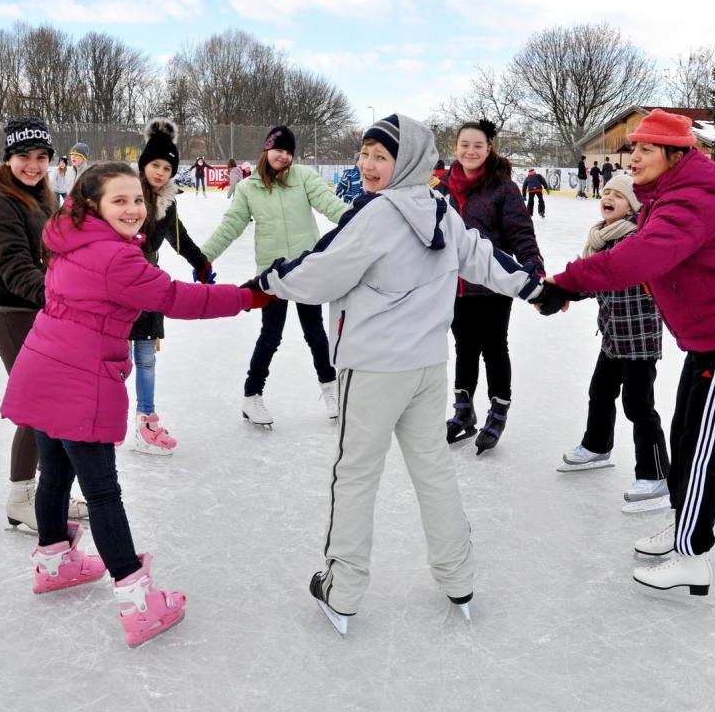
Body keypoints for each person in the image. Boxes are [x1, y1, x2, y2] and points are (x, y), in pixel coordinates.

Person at [245, 114, 565, 634]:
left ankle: (342, 590)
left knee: (354, 476)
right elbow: (484, 258)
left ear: (408, 161)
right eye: (365, 153)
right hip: (424, 367)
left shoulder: (375, 215)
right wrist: (534, 289)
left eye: (381, 156)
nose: (367, 165)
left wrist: (270, 278)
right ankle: (458, 578)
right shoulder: (440, 208)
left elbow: (321, 272)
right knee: (434, 471)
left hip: (372, 369)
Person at [0, 161, 269, 646]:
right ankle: (137, 600)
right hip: (78, 378)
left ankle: (55, 562)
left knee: (56, 475)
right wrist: (247, 296)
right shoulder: (116, 258)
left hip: (42, 365)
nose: (133, 209)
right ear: (93, 206)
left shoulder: (68, 238)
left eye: (138, 200)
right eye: (119, 200)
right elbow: (178, 298)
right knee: (103, 493)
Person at [549, 109, 715, 596]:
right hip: (709, 337)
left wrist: (568, 282)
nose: (635, 156)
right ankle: (685, 525)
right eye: (634, 148)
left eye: (647, 148)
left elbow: (637, 258)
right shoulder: (666, 199)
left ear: (675, 155)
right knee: (686, 436)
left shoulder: (686, 204)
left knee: (700, 447)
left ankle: (692, 554)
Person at [0, 116, 87, 531]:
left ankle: (45, 490)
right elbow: (17, 269)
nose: (33, 165)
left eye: (41, 157)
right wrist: (68, 299)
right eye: (23, 156)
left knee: (49, 406)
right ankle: (22, 497)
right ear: (7, 159)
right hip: (11, 316)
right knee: (37, 408)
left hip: (40, 313)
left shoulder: (40, 198)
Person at [200, 125, 350, 425]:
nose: (283, 156)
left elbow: (328, 203)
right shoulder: (247, 188)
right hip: (272, 275)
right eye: (278, 149)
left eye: (288, 151)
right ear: (266, 150)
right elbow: (231, 226)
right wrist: (203, 257)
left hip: (306, 270)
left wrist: (358, 219)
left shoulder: (304, 177)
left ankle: (330, 388)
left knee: (316, 334)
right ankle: (252, 396)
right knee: (271, 336)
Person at [558, 174, 670, 511]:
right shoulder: (602, 236)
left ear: (633, 205)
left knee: (638, 405)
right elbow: (592, 279)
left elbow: (606, 274)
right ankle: (597, 445)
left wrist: (565, 288)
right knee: (600, 392)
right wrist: (563, 291)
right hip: (612, 334)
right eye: (605, 192)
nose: (608, 198)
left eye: (617, 195)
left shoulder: (636, 238)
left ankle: (656, 474)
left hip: (639, 336)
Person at [435, 119, 544, 454]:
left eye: (478, 146)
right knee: (464, 347)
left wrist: (534, 275)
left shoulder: (503, 188)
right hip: (454, 286)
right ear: (456, 147)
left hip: (494, 284)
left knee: (495, 347)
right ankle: (463, 412)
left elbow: (521, 233)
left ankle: (498, 411)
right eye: (465, 145)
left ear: (489, 149)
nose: (470, 151)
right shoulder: (440, 190)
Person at [129, 119, 215, 455]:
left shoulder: (168, 202)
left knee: (147, 358)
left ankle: (144, 422)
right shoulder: (124, 193)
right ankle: (100, 418)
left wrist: (202, 263)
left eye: (167, 167)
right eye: (155, 165)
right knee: (115, 359)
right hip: (117, 284)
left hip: (149, 284)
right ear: (143, 165)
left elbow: (180, 239)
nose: (161, 172)